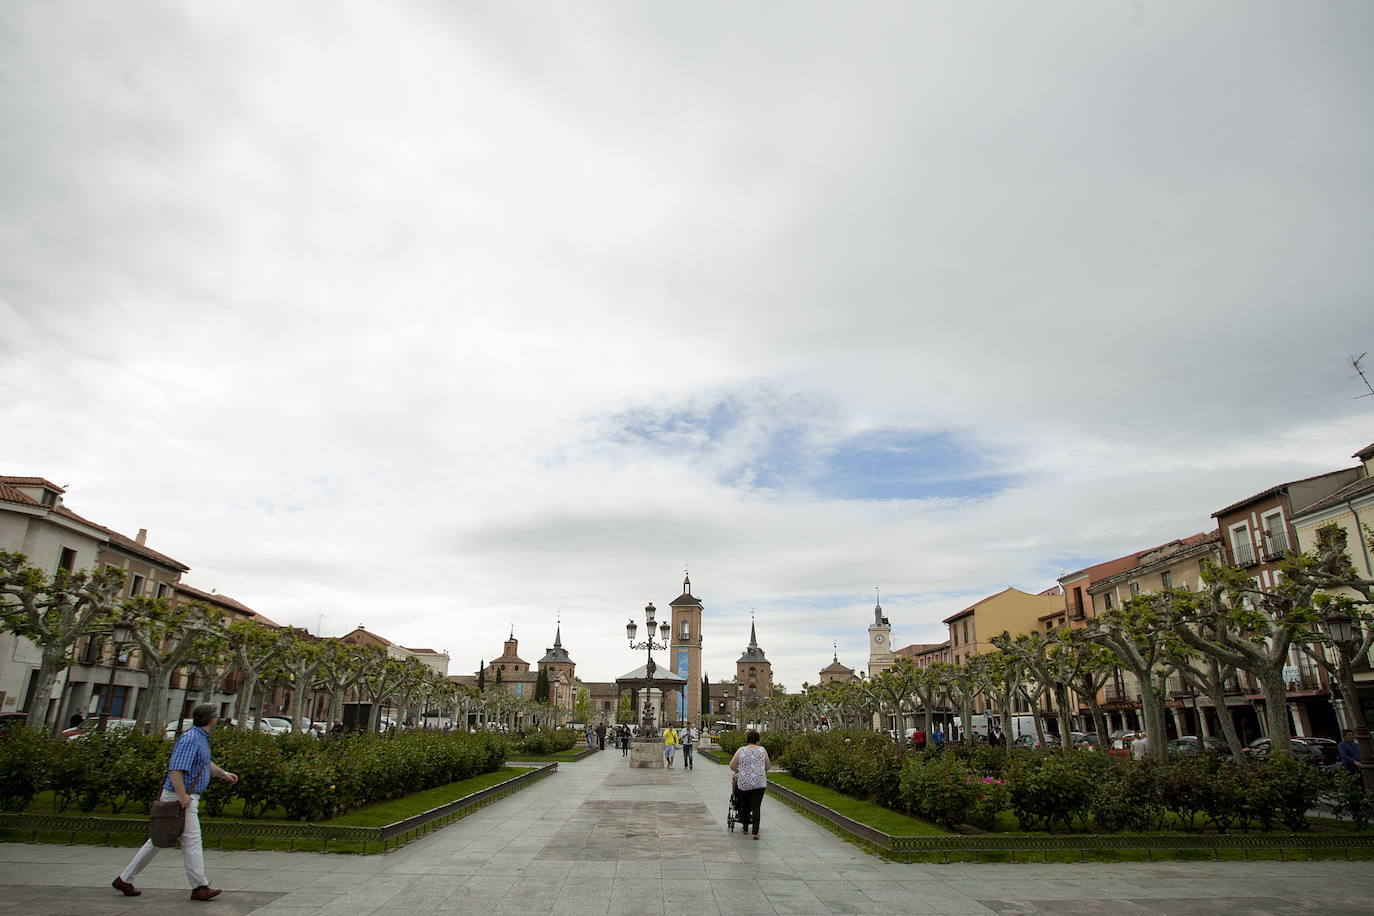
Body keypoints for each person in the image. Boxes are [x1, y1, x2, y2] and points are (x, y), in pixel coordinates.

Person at [112, 703, 238, 901]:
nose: (218, 720)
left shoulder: (200, 738)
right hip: (180, 798)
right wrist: (183, 797)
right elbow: (175, 770)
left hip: (182, 797)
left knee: (157, 840)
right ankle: (199, 887)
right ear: (211, 720)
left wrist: (223, 774)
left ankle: (125, 879)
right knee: (192, 841)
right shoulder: (190, 740)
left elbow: (204, 764)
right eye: (216, 717)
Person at [729, 729, 771, 840]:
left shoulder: (741, 750)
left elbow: (732, 765)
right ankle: (755, 832)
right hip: (759, 782)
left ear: (747, 739)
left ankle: (745, 827)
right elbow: (768, 766)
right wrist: (760, 771)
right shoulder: (762, 750)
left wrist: (739, 770)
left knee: (745, 805)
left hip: (744, 782)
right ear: (758, 739)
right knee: (756, 807)